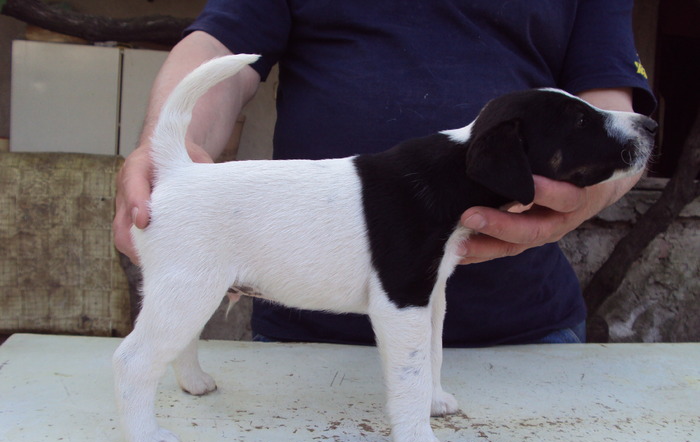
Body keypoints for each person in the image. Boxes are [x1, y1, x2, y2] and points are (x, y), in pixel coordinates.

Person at [113, 1, 655, 347]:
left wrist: (582, 195)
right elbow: (223, 43)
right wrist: (170, 144)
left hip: (525, 329)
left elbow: (604, 104)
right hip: (308, 325)